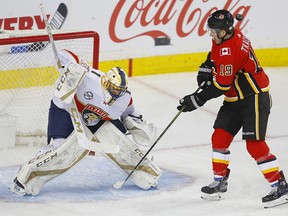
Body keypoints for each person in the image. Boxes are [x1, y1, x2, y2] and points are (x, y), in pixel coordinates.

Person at [10, 49, 161, 196]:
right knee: (59, 148)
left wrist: (138, 124)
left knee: (118, 142)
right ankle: (25, 178)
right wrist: (71, 70)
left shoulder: (124, 98)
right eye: (114, 89)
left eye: (119, 91)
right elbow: (64, 54)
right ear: (106, 82)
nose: (116, 93)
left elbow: (130, 114)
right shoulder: (90, 78)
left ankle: (146, 174)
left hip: (95, 120)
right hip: (66, 109)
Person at [177, 9, 288, 206]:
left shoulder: (231, 48)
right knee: (219, 137)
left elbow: (221, 85)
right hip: (235, 97)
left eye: (214, 31)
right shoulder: (224, 38)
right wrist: (206, 65)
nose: (211, 34)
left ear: (225, 31)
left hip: (253, 96)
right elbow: (215, 54)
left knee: (254, 144)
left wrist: (197, 99)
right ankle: (220, 182)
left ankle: (280, 185)